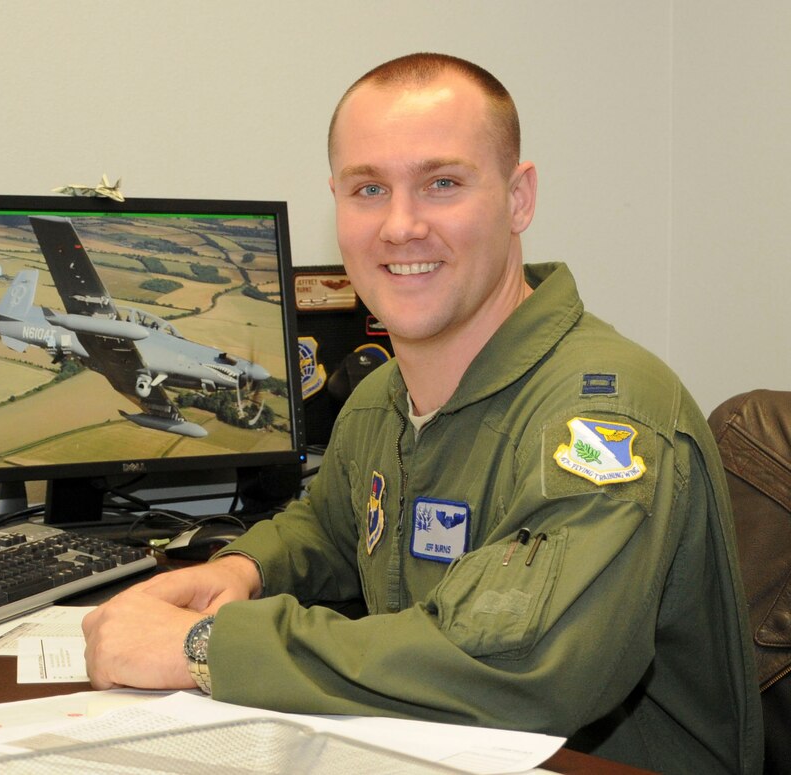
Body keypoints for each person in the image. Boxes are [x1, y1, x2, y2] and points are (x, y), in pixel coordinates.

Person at [82, 53, 763, 774]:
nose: (401, 226)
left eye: (442, 183)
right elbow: (336, 528)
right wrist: (247, 568)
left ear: (518, 197)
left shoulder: (603, 418)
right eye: (369, 187)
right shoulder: (382, 401)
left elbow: (515, 668)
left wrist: (205, 649)